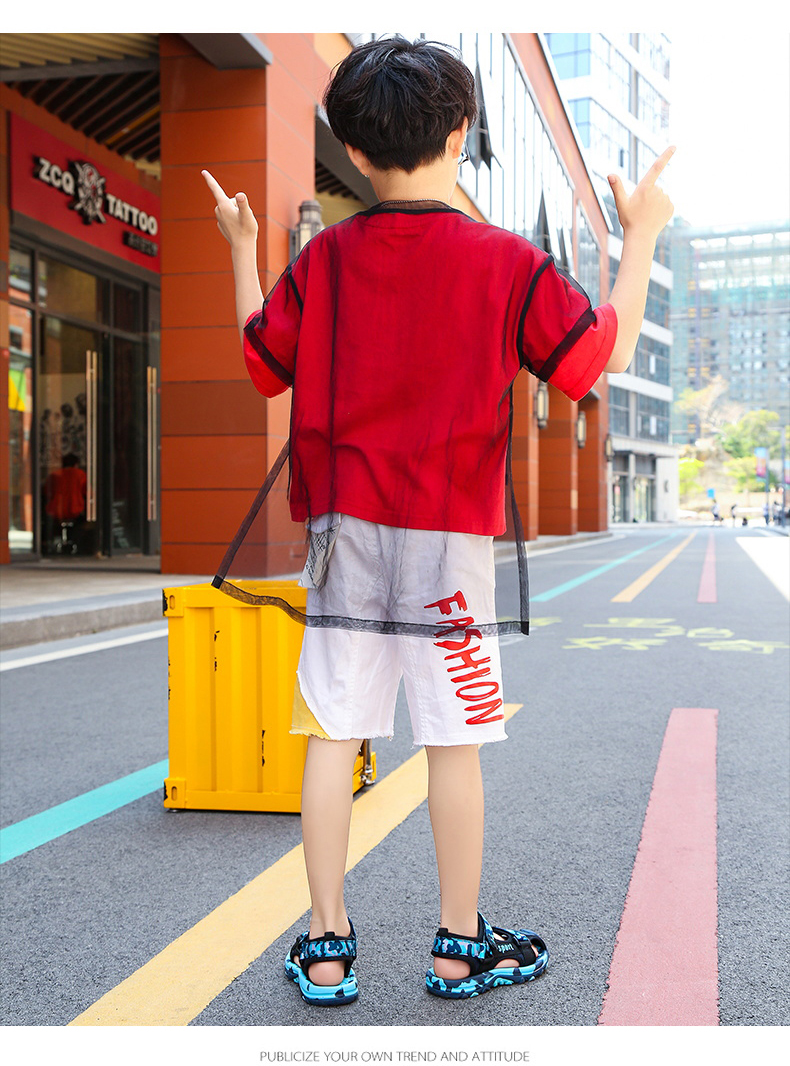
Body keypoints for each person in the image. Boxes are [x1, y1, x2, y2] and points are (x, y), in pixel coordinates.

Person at [203, 35, 675, 1006]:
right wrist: (640, 238)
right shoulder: (506, 262)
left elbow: (262, 365)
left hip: (341, 537)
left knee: (332, 732)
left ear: (354, 150)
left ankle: (326, 947)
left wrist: (242, 250)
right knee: (453, 741)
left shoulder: (326, 260)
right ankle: (459, 947)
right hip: (450, 542)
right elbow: (597, 361)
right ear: (461, 134)